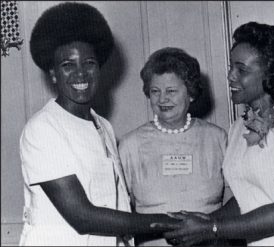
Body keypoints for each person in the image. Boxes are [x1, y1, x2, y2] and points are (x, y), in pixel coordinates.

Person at [152, 22, 274, 246]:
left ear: (270, 73)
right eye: (231, 67)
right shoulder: (238, 128)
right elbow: (247, 196)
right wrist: (205, 220)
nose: (231, 76)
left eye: (241, 70)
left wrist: (211, 229)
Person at [19, 2, 177, 246]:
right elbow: (83, 217)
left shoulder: (102, 125)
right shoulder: (42, 129)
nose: (80, 74)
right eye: (67, 65)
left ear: (99, 67)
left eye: (89, 63)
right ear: (53, 74)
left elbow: (118, 203)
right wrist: (169, 222)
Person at [118, 47, 229, 246]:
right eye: (155, 91)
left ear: (191, 94)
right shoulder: (130, 145)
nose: (162, 99)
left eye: (171, 91)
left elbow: (236, 203)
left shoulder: (217, 139)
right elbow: (121, 211)